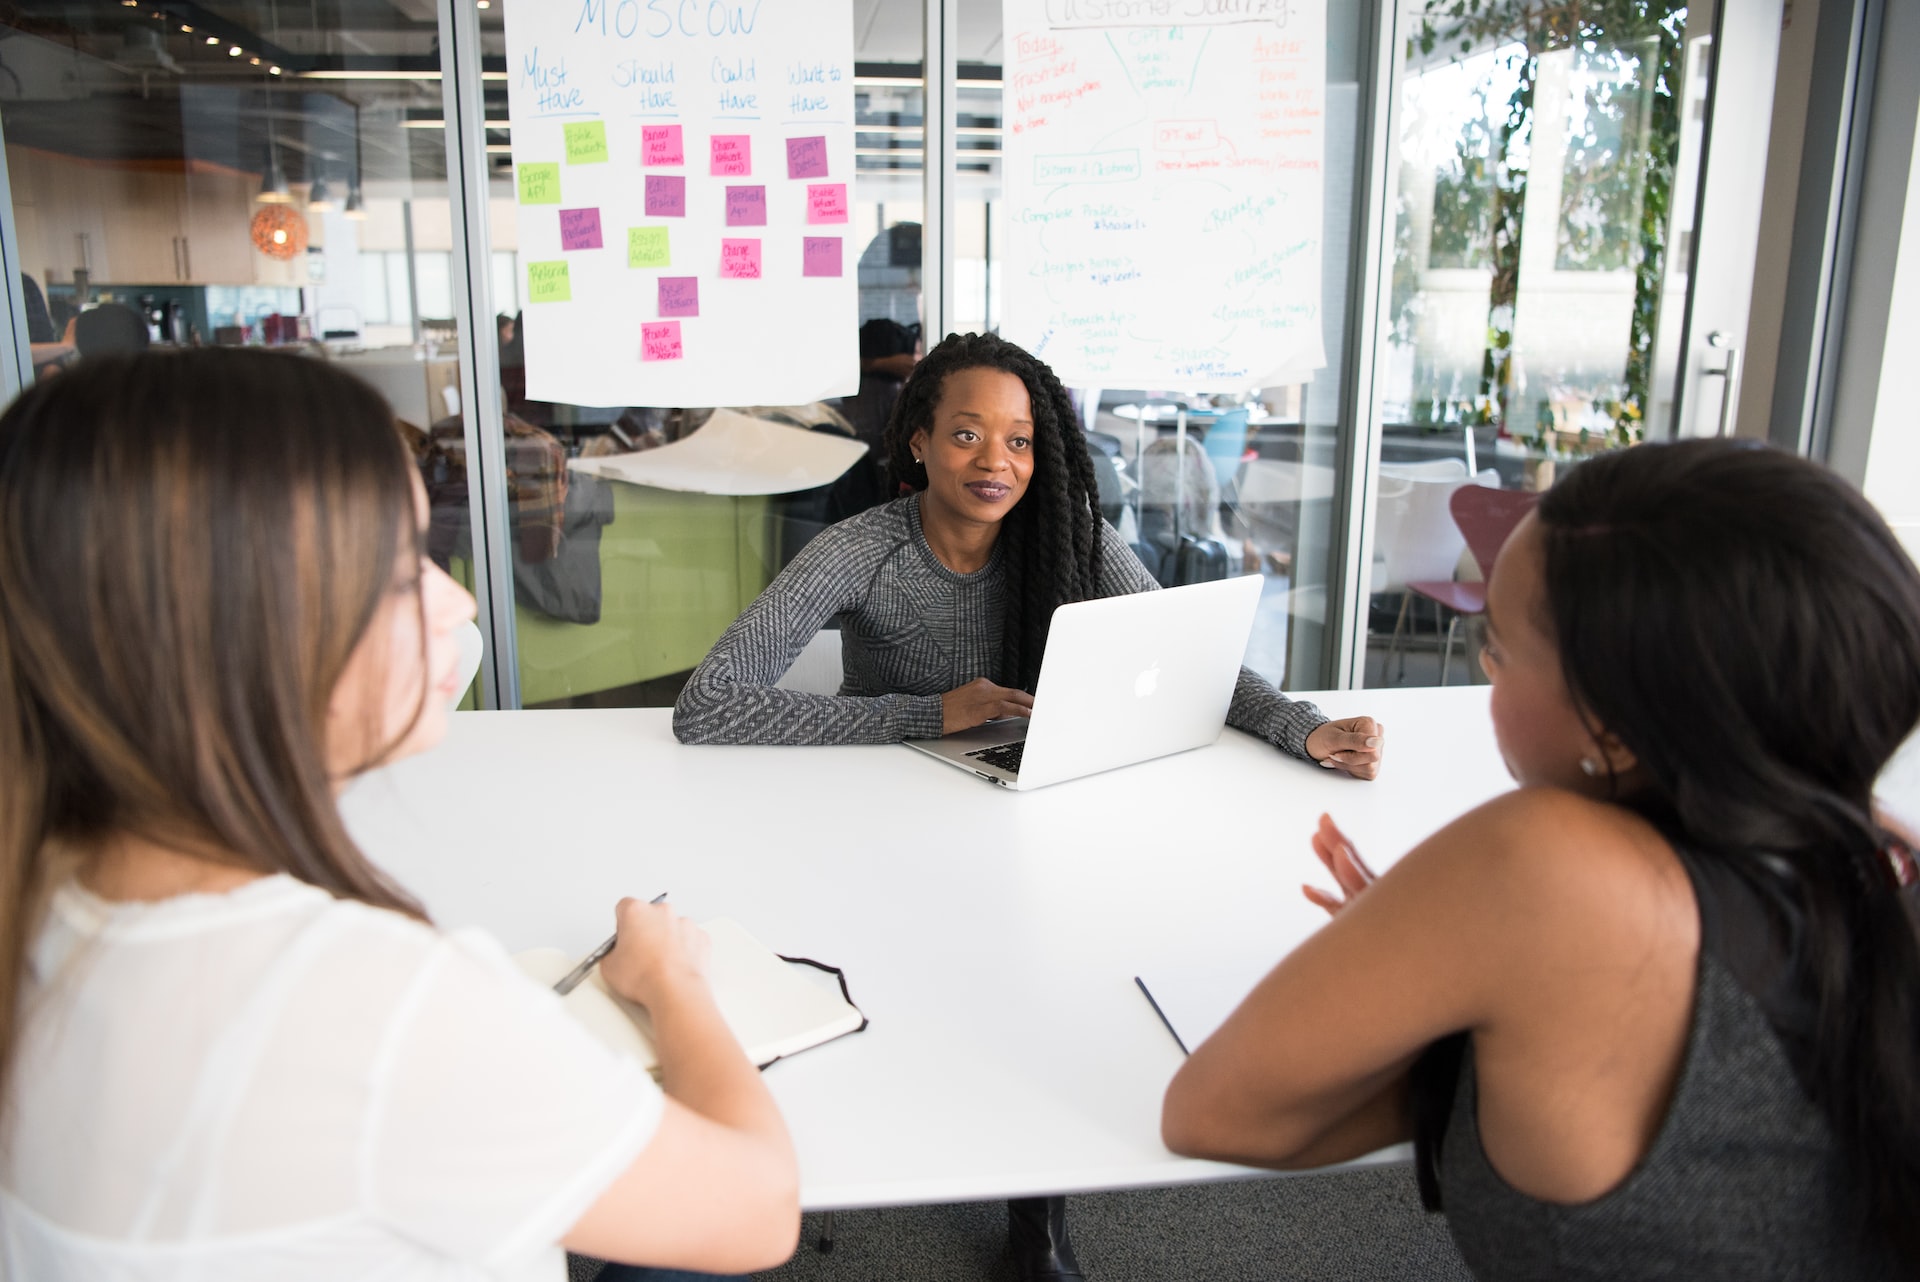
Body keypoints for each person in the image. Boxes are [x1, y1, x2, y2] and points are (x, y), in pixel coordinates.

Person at [0, 349, 800, 1281]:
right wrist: (672, 980)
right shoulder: (367, 1007)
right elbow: (757, 1210)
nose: (457, 599)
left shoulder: (46, 889)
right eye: (397, 572)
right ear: (244, 633)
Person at [673, 330, 1385, 1282]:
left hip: (1021, 805)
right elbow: (709, 704)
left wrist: (1301, 727)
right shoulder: (861, 550)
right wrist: (930, 713)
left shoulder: (1068, 539)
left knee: (1057, 966)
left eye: (1018, 441)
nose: (996, 462)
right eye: (968, 435)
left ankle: (1036, 1215)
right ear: (918, 441)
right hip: (875, 814)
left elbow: (1189, 658)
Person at [1161, 439, 1920, 1280]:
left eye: (1501, 651)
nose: (1488, 673)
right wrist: (1482, 970)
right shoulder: (1881, 852)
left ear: (1621, 726)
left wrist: (1443, 970)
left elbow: (1215, 1115)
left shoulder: (1542, 866)